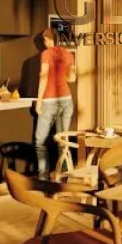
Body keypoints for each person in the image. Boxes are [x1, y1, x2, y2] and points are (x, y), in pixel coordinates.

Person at [34, 27, 76, 177]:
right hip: (66, 100)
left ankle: (43, 176)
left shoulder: (46, 54)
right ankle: (64, 177)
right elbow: (72, 79)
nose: (44, 43)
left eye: (45, 40)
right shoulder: (69, 54)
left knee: (40, 142)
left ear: (49, 39)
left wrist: (39, 101)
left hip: (49, 101)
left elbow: (44, 77)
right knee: (62, 141)